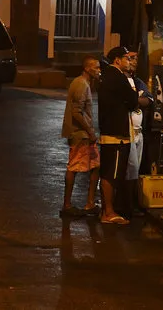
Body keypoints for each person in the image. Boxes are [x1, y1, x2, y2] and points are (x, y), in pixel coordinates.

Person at [97, 46, 139, 224]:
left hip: (111, 130)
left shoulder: (108, 76)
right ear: (117, 60)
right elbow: (133, 100)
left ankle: (108, 210)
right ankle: (109, 212)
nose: (129, 62)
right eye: (126, 58)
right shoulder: (117, 77)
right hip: (115, 134)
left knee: (110, 172)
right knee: (111, 174)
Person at [60, 56, 102, 217]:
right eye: (96, 67)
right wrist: (90, 131)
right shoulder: (81, 85)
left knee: (95, 166)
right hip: (80, 135)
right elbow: (76, 112)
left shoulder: (84, 84)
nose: (98, 71)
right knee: (74, 167)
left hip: (84, 134)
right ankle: (67, 205)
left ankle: (89, 203)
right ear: (87, 68)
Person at [116, 45, 153, 219]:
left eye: (135, 59)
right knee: (128, 169)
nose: (133, 62)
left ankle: (131, 203)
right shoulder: (120, 81)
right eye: (130, 58)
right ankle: (125, 205)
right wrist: (136, 101)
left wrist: (135, 101)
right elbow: (129, 102)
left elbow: (148, 100)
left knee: (135, 168)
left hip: (139, 131)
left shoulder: (138, 82)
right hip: (126, 131)